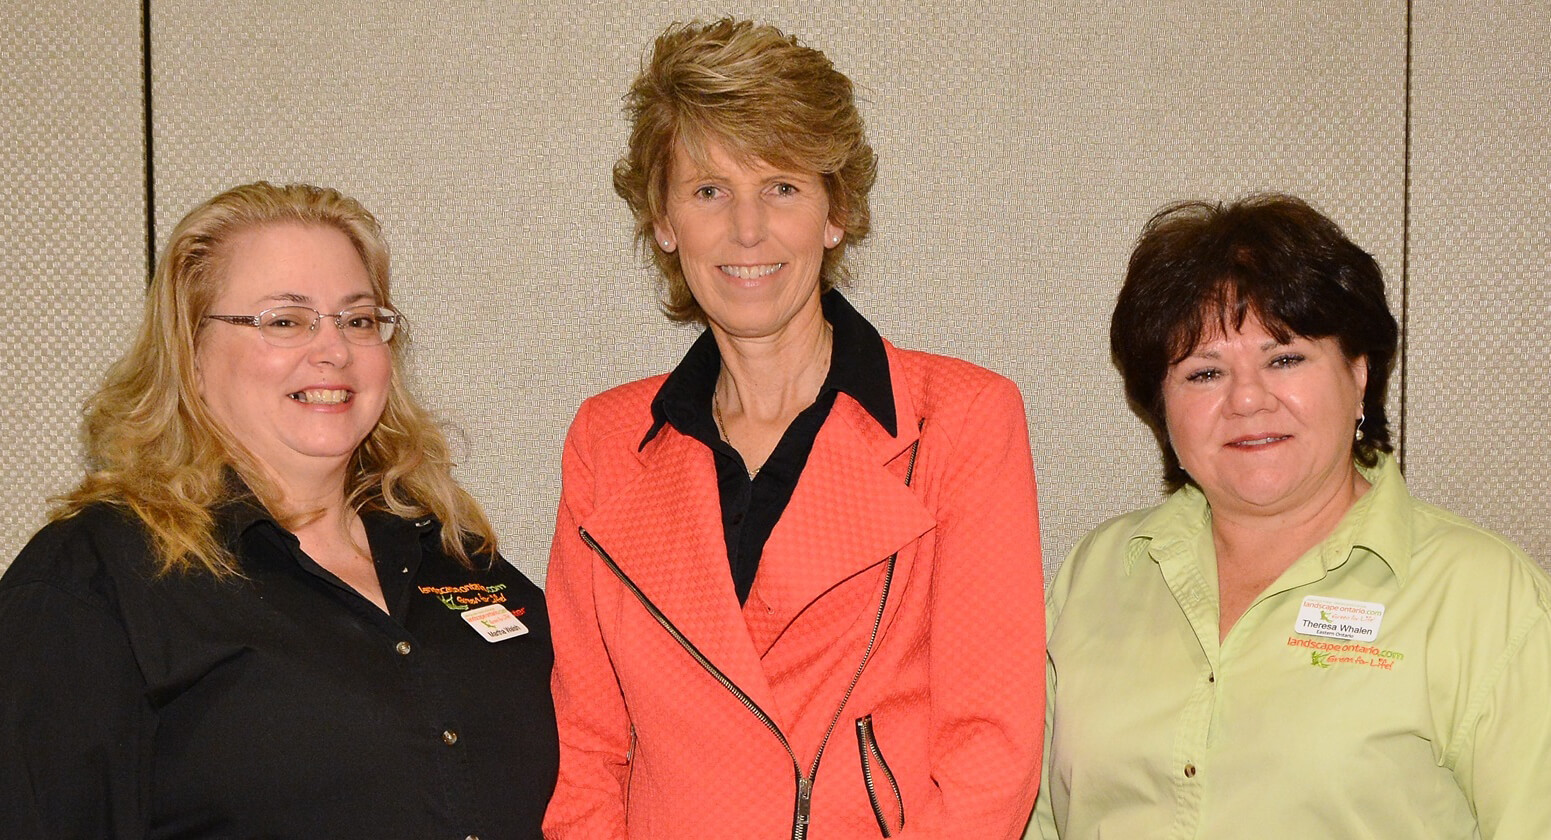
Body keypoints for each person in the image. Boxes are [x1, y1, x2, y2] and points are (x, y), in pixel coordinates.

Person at [543, 18, 1044, 840]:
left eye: (781, 186)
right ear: (664, 223)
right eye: (708, 191)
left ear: (834, 212)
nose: (747, 229)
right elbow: (588, 750)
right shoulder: (606, 441)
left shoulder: (961, 418)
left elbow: (991, 751)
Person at [0, 182, 558, 839]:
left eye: (357, 319)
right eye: (286, 321)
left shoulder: (454, 555)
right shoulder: (92, 580)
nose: (333, 350)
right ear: (191, 352)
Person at [1027, 194, 1551, 839]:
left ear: (1359, 374)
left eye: (1285, 359)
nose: (1247, 399)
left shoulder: (1483, 595)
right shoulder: (1098, 575)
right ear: (1160, 405)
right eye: (1203, 373)